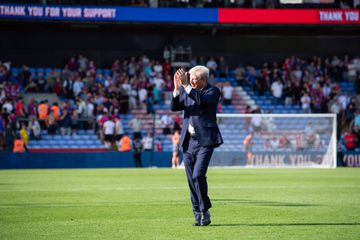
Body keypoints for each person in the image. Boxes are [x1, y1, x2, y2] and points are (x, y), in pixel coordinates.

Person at [171, 66, 223, 227]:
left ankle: (204, 210)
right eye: (191, 78)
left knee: (198, 175)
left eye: (195, 78)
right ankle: (197, 214)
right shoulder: (188, 89)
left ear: (204, 80)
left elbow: (200, 100)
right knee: (190, 179)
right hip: (188, 141)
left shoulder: (213, 91)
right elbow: (175, 107)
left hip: (205, 141)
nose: (192, 80)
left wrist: (186, 86)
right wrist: (176, 88)